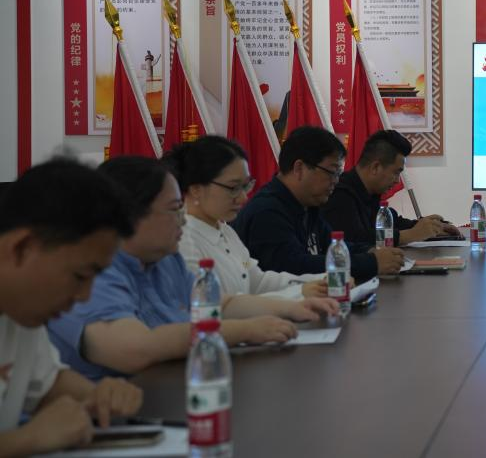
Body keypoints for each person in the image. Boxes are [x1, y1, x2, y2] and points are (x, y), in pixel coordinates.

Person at [48, 157, 338, 380]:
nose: (184, 220)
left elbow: (219, 304)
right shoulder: (94, 272)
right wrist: (244, 330)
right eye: (175, 209)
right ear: (130, 214)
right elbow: (135, 349)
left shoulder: (164, 259)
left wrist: (291, 308)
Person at [0, 160, 144, 455]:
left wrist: (101, 395)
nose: (84, 296)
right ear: (22, 248)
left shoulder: (21, 310)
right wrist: (26, 440)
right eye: (80, 276)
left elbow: (47, 384)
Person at [232, 126, 404, 282]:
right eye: (332, 172)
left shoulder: (308, 205)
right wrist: (371, 262)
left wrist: (371, 251)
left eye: (338, 174)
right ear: (299, 168)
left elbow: (333, 246)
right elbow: (294, 267)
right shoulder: (267, 211)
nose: (336, 181)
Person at [166, 135, 328, 299]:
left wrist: (319, 281)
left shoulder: (225, 231)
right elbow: (213, 305)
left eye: (245, 186)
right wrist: (299, 291)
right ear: (196, 189)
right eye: (233, 188)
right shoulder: (181, 241)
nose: (243, 198)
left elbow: (256, 281)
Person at [322, 130, 457, 249]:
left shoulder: (371, 192)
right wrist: (410, 235)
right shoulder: (340, 194)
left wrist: (429, 227)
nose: (398, 180)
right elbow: (355, 240)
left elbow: (392, 223)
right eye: (396, 172)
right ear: (375, 167)